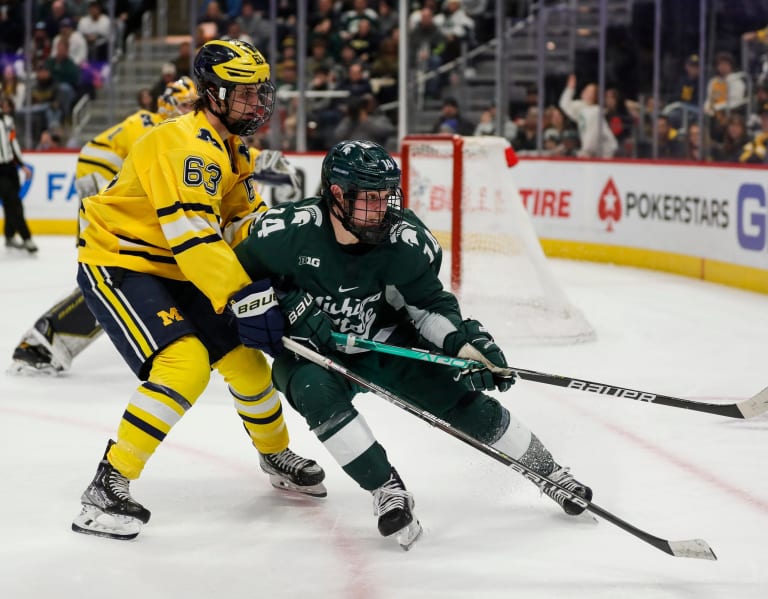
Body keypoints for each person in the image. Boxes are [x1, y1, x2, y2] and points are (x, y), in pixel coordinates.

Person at [231, 139, 593, 549]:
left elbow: (427, 306)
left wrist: (462, 345)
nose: (382, 207)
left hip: (384, 341)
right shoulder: (284, 233)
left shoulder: (403, 238)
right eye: (370, 198)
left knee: (462, 401)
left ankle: (548, 472)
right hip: (312, 354)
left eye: (386, 195)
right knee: (315, 392)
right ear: (336, 195)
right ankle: (386, 489)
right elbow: (234, 285)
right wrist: (279, 306)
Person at [70, 39, 325, 541]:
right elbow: (194, 234)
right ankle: (107, 485)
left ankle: (274, 454)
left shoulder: (233, 150)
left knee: (248, 365)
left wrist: (291, 264)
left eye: (260, 93)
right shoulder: (183, 144)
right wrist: (243, 298)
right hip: (121, 262)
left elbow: (242, 226)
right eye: (245, 94)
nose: (258, 103)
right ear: (212, 94)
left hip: (177, 268)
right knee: (184, 366)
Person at [8, 77, 198, 377]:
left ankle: (47, 339)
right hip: (102, 191)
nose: (190, 110)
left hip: (109, 195)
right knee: (114, 270)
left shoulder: (170, 130)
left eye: (193, 105)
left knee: (117, 271)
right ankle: (45, 340)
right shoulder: (153, 125)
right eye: (185, 104)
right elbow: (101, 158)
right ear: (168, 104)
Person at [1, 97, 36, 253]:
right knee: (13, 202)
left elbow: (13, 144)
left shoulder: (8, 120)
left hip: (10, 167)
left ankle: (9, 236)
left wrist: (22, 166)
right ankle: (26, 237)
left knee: (12, 204)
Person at [559, 74, 618, 158]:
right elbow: (564, 105)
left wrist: (586, 152)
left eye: (589, 91)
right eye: (585, 89)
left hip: (606, 152)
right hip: (594, 152)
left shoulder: (595, 111)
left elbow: (592, 134)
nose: (584, 91)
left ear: (595, 96)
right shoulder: (582, 108)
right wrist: (570, 89)